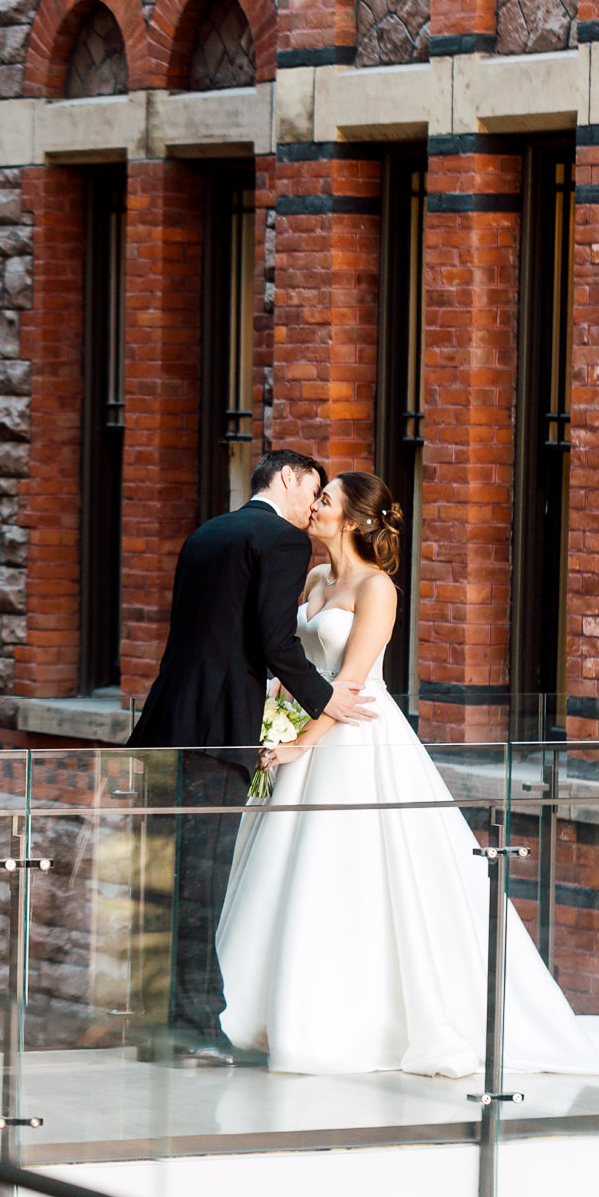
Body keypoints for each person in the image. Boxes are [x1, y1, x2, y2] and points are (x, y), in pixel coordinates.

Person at [217, 471, 599, 1078]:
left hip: (355, 741)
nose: (315, 506)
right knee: (292, 874)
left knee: (351, 876)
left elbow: (351, 686)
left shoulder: (377, 589)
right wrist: (279, 717)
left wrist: (295, 746)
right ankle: (267, 1009)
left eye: (326, 499)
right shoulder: (314, 578)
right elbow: (294, 662)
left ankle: (350, 1025)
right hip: (309, 742)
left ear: (356, 520)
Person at [130, 449, 376, 1065]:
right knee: (200, 880)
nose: (311, 506)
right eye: (311, 490)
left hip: (167, 720)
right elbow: (275, 643)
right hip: (217, 731)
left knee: (165, 878)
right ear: (288, 478)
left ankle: (157, 1027)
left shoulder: (209, 531)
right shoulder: (280, 540)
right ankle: (193, 1030)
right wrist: (327, 700)